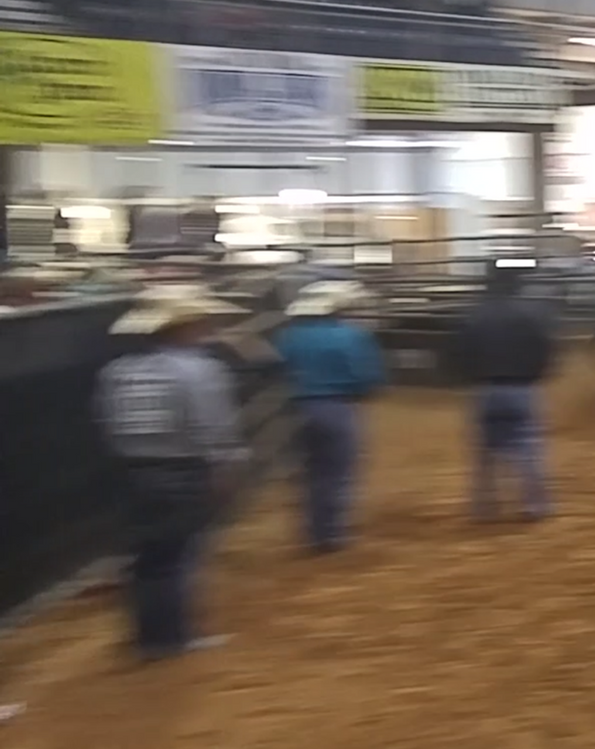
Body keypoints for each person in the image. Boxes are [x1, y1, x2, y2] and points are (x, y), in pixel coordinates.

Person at [95, 283, 248, 662]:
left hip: (133, 471)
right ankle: (171, 637)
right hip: (181, 471)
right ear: (186, 325)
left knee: (147, 559)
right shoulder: (200, 370)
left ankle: (149, 635)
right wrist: (225, 465)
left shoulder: (119, 371)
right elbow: (212, 425)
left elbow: (106, 421)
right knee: (178, 556)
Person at [272, 281, 385, 553]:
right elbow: (367, 377)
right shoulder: (352, 335)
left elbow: (276, 372)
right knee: (337, 472)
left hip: (296, 408)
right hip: (337, 407)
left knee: (309, 472)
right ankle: (331, 533)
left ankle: (312, 531)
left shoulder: (289, 336)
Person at [450, 261, 555, 522]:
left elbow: (460, 354)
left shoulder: (476, 315)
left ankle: (483, 507)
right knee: (528, 450)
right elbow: (544, 351)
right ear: (517, 287)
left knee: (485, 453)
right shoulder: (530, 315)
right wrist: (534, 376)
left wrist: (472, 377)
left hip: (486, 389)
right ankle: (535, 505)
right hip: (520, 389)